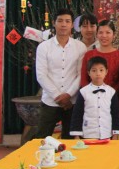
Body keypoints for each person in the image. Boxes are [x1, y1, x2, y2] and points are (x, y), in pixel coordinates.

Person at [35, 8, 87, 139]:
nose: (64, 24)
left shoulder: (80, 47)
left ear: (72, 25)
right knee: (42, 139)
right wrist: (58, 96)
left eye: (67, 21)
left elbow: (80, 74)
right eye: (60, 21)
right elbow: (41, 75)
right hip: (50, 100)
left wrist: (68, 95)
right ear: (54, 23)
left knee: (70, 140)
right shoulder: (44, 47)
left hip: (72, 101)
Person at [70, 56, 119, 140]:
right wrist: (76, 135)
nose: (98, 73)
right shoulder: (83, 92)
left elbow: (115, 113)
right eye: (94, 70)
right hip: (88, 134)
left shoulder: (111, 92)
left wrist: (115, 134)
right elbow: (77, 114)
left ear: (106, 72)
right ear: (89, 72)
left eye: (101, 70)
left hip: (106, 133)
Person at [80, 20, 119, 92]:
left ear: (114, 35)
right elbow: (84, 79)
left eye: (108, 32)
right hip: (91, 95)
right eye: (100, 32)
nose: (104, 36)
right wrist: (90, 93)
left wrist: (110, 94)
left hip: (114, 95)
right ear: (97, 35)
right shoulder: (89, 55)